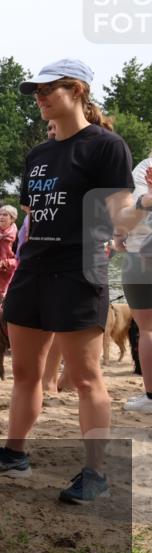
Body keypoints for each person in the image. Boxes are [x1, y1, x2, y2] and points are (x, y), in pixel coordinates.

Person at [0, 58, 134, 504]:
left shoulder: (105, 146)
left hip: (79, 270)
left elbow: (119, 214)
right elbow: (35, 216)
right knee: (25, 372)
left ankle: (95, 473)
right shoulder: (39, 154)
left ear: (77, 90)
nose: (38, 99)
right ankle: (14, 454)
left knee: (85, 375)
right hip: (33, 269)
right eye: (36, 93)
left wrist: (139, 212)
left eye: (47, 90)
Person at [117, 156, 152, 413]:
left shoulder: (145, 168)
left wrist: (119, 234)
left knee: (148, 328)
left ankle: (151, 396)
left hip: (143, 253)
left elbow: (130, 218)